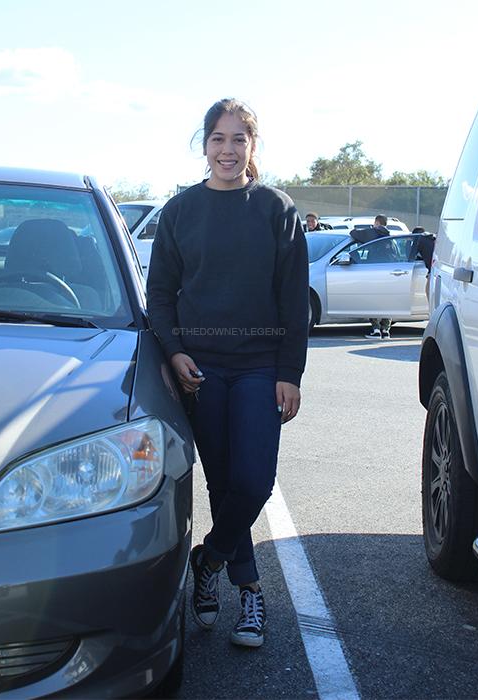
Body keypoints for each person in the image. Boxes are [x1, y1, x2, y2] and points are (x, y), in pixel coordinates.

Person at [146, 98, 309, 648]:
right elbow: (160, 295)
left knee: (254, 480)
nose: (228, 149)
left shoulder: (276, 210)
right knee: (221, 481)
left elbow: (292, 301)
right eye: (218, 138)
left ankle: (209, 558)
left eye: (239, 139)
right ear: (204, 145)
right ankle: (249, 590)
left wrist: (291, 371)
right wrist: (172, 353)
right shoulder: (179, 212)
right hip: (203, 368)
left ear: (252, 147)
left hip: (261, 366)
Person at [360, 214, 392, 339]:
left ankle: (375, 329)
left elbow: (354, 233)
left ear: (377, 223)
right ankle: (385, 329)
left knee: (372, 299)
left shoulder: (374, 236)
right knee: (387, 301)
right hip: (388, 274)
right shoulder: (389, 237)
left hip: (374, 272)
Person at [412, 225, 436, 301]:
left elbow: (412, 254)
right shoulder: (431, 238)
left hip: (432, 269)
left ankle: (430, 310)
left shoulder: (419, 240)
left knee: (428, 290)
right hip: (437, 267)